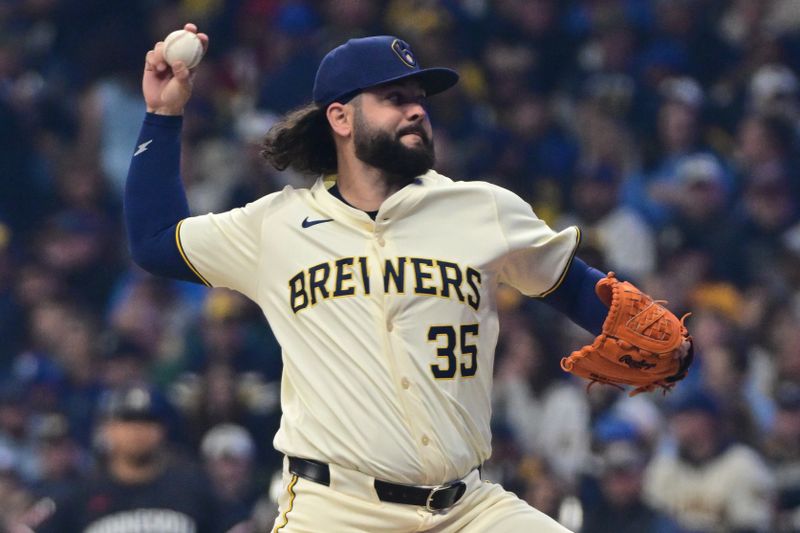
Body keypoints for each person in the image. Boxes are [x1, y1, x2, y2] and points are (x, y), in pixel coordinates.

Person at [124, 24, 689, 532]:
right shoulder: (275, 226)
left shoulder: (481, 209)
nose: (417, 110)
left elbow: (570, 285)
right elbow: (154, 240)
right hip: (335, 512)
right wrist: (164, 114)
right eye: (394, 98)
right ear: (340, 118)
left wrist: (656, 337)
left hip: (469, 509)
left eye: (419, 100)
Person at [37, 385, 239, 533]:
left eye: (147, 422)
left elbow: (237, 525)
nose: (137, 432)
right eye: (128, 421)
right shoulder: (79, 496)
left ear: (163, 430)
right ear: (108, 429)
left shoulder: (193, 489)